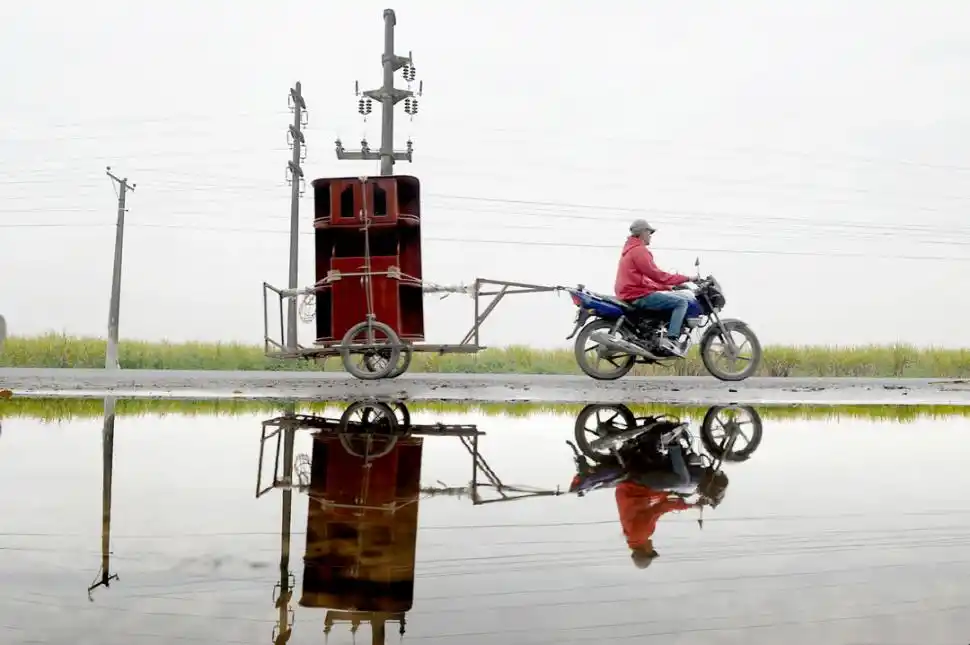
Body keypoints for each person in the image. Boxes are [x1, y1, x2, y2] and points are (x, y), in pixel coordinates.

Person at [615, 443, 727, 570]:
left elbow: (661, 508)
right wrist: (686, 503)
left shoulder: (641, 534)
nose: (652, 548)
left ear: (645, 551)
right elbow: (661, 505)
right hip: (639, 492)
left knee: (682, 481)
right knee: (683, 489)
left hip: (634, 487)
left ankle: (673, 445)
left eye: (651, 551)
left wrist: (689, 506)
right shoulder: (635, 537)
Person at [614, 219, 695, 357]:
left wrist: (669, 287)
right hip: (636, 294)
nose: (650, 235)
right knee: (681, 302)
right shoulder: (639, 251)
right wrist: (687, 278)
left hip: (631, 292)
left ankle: (661, 334)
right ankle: (671, 341)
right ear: (642, 233)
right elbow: (657, 275)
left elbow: (646, 280)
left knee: (675, 298)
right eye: (649, 232)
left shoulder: (630, 250)